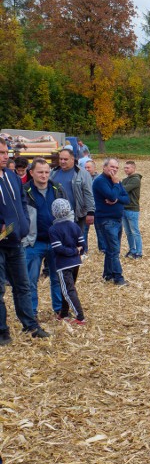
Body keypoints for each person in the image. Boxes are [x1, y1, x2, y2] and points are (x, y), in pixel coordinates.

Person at [0, 143, 50, 342]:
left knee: (23, 285)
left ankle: (30, 325)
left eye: (6, 152)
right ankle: (2, 331)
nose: (5, 156)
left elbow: (22, 201)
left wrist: (25, 223)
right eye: (1, 153)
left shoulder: (12, 176)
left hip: (16, 241)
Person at [22, 158, 66, 318]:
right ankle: (31, 312)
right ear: (31, 172)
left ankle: (59, 309)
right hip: (34, 243)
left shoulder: (57, 189)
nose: (44, 175)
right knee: (30, 281)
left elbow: (67, 212)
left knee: (57, 278)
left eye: (47, 172)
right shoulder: (24, 191)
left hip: (56, 243)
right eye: (40, 172)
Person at [50, 146, 95, 254]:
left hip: (76, 214)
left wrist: (90, 212)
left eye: (65, 159)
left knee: (75, 242)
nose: (62, 161)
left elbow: (88, 193)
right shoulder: (53, 172)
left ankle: (74, 264)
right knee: (58, 242)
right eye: (61, 159)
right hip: (56, 216)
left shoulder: (82, 173)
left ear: (72, 159)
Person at [48, 198, 86, 324]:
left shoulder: (53, 229)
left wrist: (72, 252)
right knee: (68, 287)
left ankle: (80, 317)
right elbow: (82, 244)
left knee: (67, 290)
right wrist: (76, 252)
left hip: (63, 264)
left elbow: (58, 248)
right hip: (76, 262)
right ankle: (64, 313)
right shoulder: (74, 226)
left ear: (54, 212)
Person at [92, 158, 129, 285]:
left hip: (118, 220)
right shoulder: (100, 181)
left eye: (116, 168)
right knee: (114, 250)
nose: (114, 170)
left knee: (110, 249)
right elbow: (112, 196)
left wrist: (116, 199)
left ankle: (108, 274)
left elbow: (127, 198)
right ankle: (118, 278)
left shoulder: (116, 182)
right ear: (104, 167)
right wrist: (116, 186)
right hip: (106, 220)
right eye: (112, 167)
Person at [121, 160, 143, 259]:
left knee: (135, 231)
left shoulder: (136, 180)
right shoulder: (125, 180)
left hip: (132, 209)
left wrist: (117, 184)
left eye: (128, 168)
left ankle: (138, 252)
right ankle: (132, 250)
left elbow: (123, 189)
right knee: (128, 232)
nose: (125, 169)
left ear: (134, 168)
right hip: (124, 209)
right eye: (125, 168)